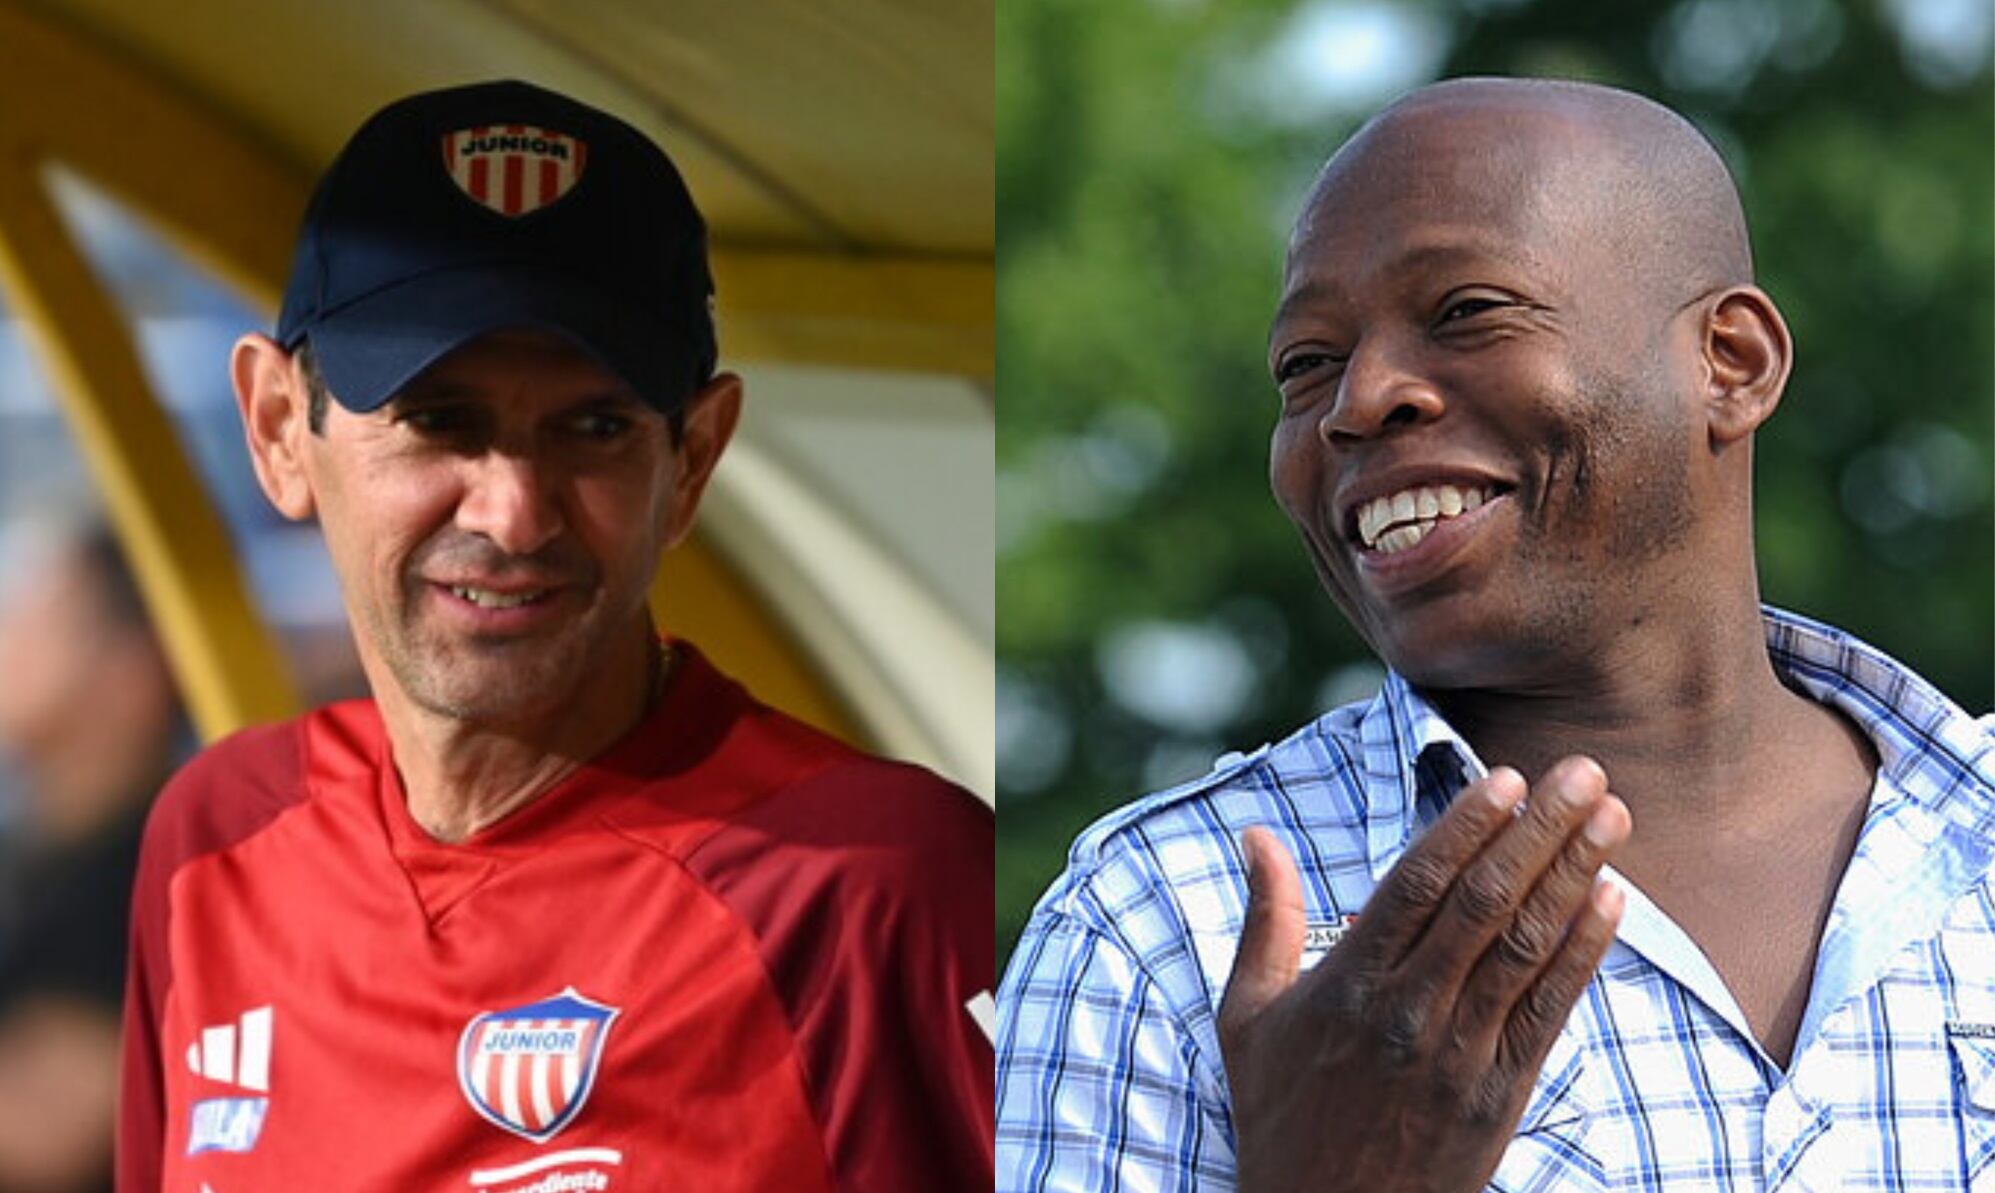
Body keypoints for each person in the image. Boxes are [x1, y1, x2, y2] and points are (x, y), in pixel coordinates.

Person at [995, 76, 1995, 1192]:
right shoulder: (1169, 924)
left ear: (1732, 362)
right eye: (1305, 365)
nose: (1358, 399)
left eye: (1467, 310)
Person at [118, 80, 993, 1192]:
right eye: (440, 420)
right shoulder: (216, 837)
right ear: (281, 428)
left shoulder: (879, 880)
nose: (514, 512)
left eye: (594, 426)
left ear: (693, 461)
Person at [0, 520, 188, 1193]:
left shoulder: (156, 876)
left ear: (131, 672)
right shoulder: (44, 851)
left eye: (40, 613)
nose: (7, 635)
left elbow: (43, 1129)